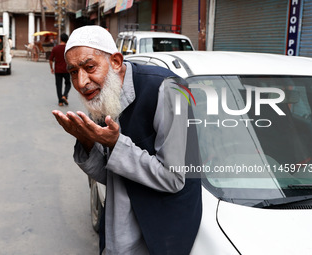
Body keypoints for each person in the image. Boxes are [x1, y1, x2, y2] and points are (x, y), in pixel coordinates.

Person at [52, 25, 202, 255]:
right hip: (117, 234)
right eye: (73, 72)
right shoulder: (102, 97)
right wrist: (87, 142)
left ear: (115, 61)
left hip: (159, 238)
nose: (81, 82)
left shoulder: (168, 89)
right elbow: (111, 176)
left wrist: (115, 144)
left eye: (89, 67)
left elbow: (174, 178)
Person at [49, 33, 71, 106]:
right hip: (66, 70)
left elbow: (51, 59)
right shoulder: (68, 48)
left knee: (58, 85)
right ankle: (64, 95)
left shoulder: (55, 48)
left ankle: (60, 101)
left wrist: (51, 68)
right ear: (67, 40)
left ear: (60, 39)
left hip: (57, 70)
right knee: (68, 83)